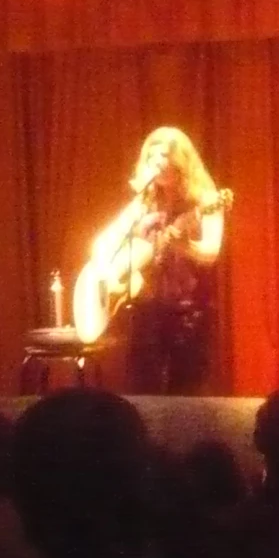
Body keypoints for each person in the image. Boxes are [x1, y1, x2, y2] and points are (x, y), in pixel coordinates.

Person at [80, 126, 227, 394]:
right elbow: (100, 246)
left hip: (188, 313)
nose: (156, 164)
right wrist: (111, 274)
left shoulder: (206, 201)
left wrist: (185, 245)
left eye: (163, 157)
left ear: (180, 163)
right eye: (151, 157)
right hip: (144, 312)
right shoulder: (143, 204)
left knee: (187, 396)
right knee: (142, 394)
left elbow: (211, 252)